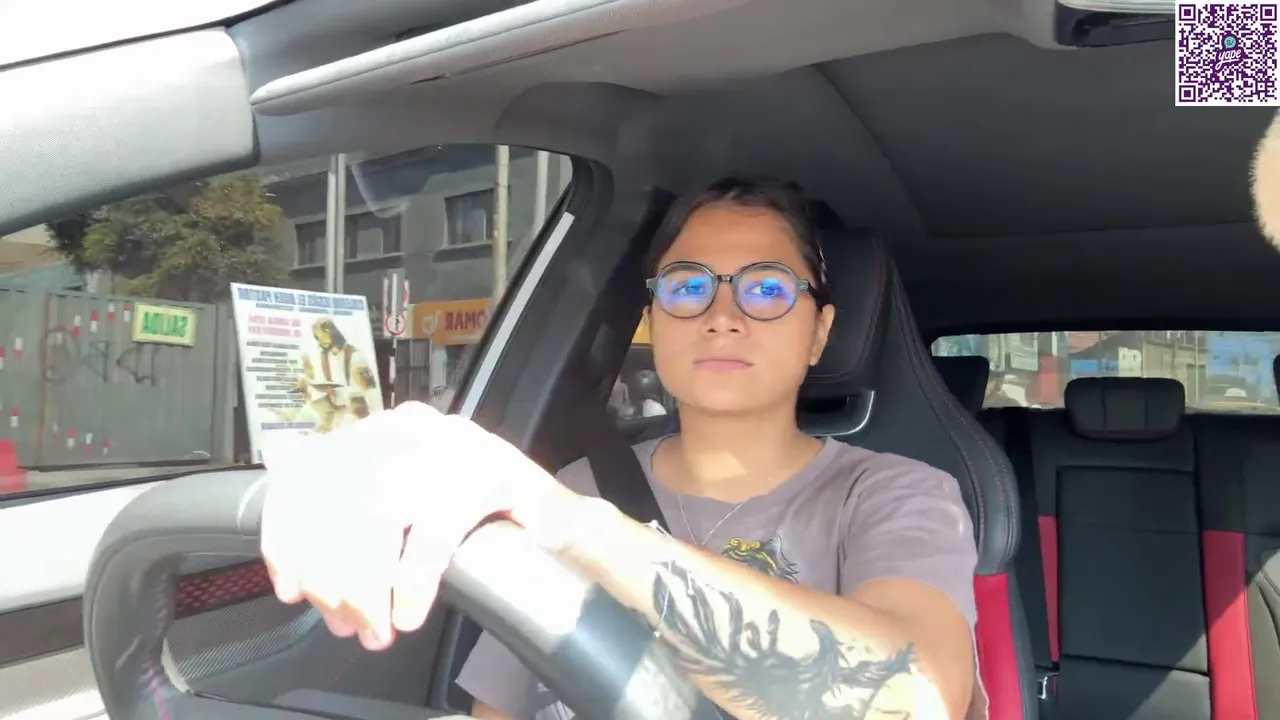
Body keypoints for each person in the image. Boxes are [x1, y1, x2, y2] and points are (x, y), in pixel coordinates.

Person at [260, 176, 983, 720]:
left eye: (766, 289)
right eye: (687, 286)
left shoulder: (896, 495)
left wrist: (575, 528)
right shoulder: (581, 481)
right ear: (655, 319)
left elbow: (915, 698)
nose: (722, 315)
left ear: (819, 332)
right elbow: (498, 709)